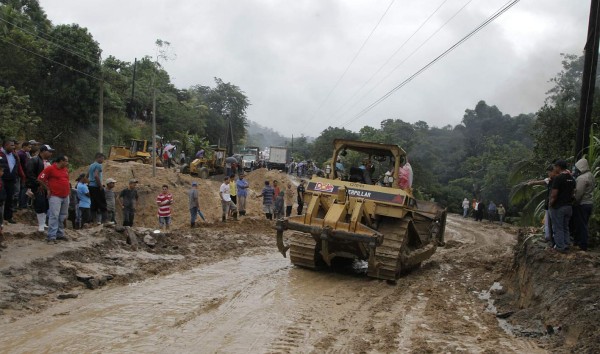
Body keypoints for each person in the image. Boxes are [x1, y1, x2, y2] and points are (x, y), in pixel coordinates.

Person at [37, 155, 70, 243]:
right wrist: (47, 189)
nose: (67, 163)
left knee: (62, 216)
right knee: (54, 215)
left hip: (65, 196)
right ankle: (51, 236)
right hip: (55, 196)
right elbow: (40, 179)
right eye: (66, 161)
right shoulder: (50, 169)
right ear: (61, 161)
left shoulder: (65, 170)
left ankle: (60, 234)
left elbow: (66, 181)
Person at [549, 160, 576, 253]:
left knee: (558, 227)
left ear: (558, 167)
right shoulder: (571, 178)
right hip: (568, 206)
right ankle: (566, 244)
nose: (554, 168)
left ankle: (560, 247)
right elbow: (573, 194)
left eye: (555, 167)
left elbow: (554, 194)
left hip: (559, 207)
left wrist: (551, 203)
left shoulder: (559, 178)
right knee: (565, 227)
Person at [527, 164, 557, 245]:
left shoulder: (554, 179)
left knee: (550, 224)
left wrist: (532, 183)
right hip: (553, 205)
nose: (548, 174)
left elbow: (543, 182)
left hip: (552, 205)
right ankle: (551, 239)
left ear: (552, 171)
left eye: (549, 172)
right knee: (551, 224)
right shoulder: (557, 178)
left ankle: (551, 240)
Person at [26, 144, 53, 231]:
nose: (51, 154)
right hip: (37, 186)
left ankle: (43, 223)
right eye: (49, 152)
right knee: (40, 204)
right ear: (43, 151)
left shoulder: (45, 161)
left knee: (45, 205)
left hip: (44, 187)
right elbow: (30, 174)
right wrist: (38, 184)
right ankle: (41, 225)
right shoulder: (34, 160)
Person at [0, 139, 26, 224]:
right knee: (1, 198)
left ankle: (8, 217)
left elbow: (18, 167)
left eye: (13, 145)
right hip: (2, 179)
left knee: (10, 198)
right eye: (11, 145)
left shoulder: (14, 155)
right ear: (5, 145)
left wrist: (22, 176)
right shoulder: (0, 154)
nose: (13, 147)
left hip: (11, 179)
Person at [573, 158, 594, 251]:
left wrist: (574, 201)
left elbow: (579, 194)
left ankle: (582, 244)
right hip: (590, 203)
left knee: (581, 224)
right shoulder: (590, 175)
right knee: (585, 223)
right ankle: (582, 243)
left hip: (582, 204)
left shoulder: (581, 178)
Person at [88, 152, 107, 225]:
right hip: (96, 186)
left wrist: (88, 183)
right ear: (98, 158)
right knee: (102, 203)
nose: (103, 160)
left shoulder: (91, 165)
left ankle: (94, 221)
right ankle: (105, 221)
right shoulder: (99, 165)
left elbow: (87, 175)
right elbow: (96, 176)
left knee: (93, 203)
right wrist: (100, 185)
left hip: (91, 186)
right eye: (102, 158)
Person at [16, 141, 31, 209]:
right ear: (24, 146)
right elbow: (25, 165)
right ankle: (22, 205)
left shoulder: (21, 153)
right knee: (23, 189)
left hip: (21, 174)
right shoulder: (22, 154)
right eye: (29, 147)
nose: (30, 148)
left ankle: (20, 204)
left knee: (21, 189)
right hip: (22, 174)